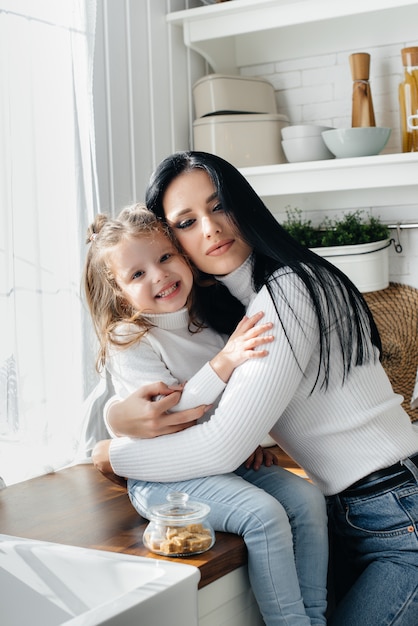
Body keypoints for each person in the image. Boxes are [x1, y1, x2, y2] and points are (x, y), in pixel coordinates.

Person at [93, 151, 418, 626]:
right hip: (361, 512)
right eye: (186, 221)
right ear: (174, 241)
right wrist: (116, 415)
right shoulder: (234, 313)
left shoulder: (288, 292)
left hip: (396, 513)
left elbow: (223, 444)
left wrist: (109, 455)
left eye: (219, 204)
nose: (210, 228)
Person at [84, 204, 329, 626]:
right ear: (119, 292)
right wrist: (225, 362)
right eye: (137, 274)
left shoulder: (210, 320)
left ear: (184, 255)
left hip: (218, 459)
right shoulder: (131, 338)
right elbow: (173, 413)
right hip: (162, 473)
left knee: (308, 499)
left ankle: (314, 618)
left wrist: (247, 437)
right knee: (263, 515)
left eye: (164, 258)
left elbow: (240, 398)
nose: (159, 275)